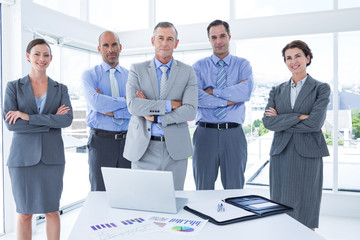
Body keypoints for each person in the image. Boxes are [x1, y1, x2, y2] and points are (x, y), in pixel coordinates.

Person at [3, 38, 73, 240]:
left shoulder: (61, 89)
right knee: (24, 214)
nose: (41, 59)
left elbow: (66, 120)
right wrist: (52, 120)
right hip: (22, 160)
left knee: (52, 211)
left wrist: (28, 117)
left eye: (45, 55)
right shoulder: (13, 87)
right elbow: (11, 124)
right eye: (37, 54)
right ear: (28, 56)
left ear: (51, 58)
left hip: (52, 159)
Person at [262, 40, 330, 229]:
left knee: (307, 203)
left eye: (298, 56)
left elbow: (315, 123)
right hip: (281, 152)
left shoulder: (321, 88)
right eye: (288, 58)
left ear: (307, 58)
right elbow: (268, 122)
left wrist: (282, 120)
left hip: (309, 152)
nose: (293, 61)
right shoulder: (277, 90)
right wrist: (299, 117)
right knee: (279, 204)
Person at [124, 22, 198, 190]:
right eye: (161, 38)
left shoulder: (188, 71)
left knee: (174, 203)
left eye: (170, 39)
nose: (164, 43)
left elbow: (190, 111)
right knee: (142, 204)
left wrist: (155, 115)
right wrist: (170, 105)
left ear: (176, 43)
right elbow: (134, 106)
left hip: (176, 151)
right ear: (153, 41)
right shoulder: (137, 69)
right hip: (143, 149)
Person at [192, 20, 254, 190]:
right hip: (205, 134)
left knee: (234, 190)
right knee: (203, 189)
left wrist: (213, 91)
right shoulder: (198, 67)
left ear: (229, 36)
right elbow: (197, 97)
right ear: (209, 40)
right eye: (214, 37)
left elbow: (245, 92)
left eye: (222, 36)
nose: (218, 41)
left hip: (233, 134)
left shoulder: (242, 65)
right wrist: (231, 97)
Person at [82, 31, 131, 191]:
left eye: (114, 44)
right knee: (100, 194)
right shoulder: (89, 75)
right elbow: (97, 103)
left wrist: (111, 109)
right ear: (99, 49)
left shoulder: (132, 76)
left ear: (120, 47)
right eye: (106, 45)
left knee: (127, 194)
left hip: (128, 142)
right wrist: (126, 101)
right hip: (100, 142)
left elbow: (137, 108)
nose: (110, 49)